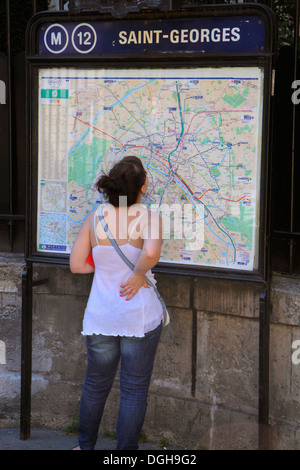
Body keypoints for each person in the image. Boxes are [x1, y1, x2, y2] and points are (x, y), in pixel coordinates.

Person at [70, 156, 164, 450]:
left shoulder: (95, 218)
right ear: (142, 187)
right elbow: (151, 252)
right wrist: (137, 274)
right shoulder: (148, 217)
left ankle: (85, 447)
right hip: (138, 316)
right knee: (134, 391)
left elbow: (76, 265)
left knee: (95, 386)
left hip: (101, 315)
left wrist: (107, 270)